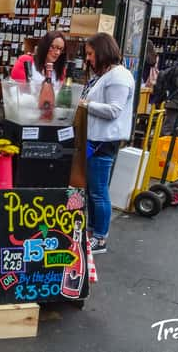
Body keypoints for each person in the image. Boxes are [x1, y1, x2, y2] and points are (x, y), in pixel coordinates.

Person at [78, 33, 135, 254]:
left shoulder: (118, 77)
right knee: (93, 189)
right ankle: (92, 231)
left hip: (104, 142)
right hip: (96, 139)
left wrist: (85, 104)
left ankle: (100, 237)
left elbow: (113, 111)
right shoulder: (107, 75)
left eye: (91, 54)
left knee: (99, 191)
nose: (89, 58)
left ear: (102, 51)